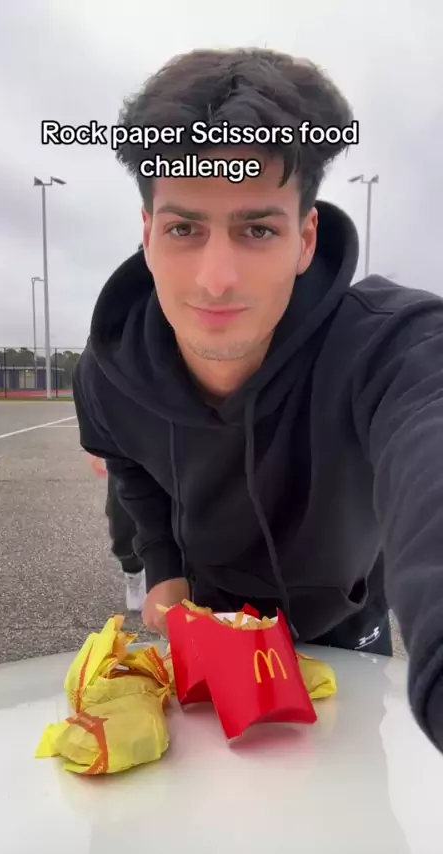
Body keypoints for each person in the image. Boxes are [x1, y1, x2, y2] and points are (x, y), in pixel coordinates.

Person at [73, 48, 443, 755]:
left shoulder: (391, 348)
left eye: (258, 229)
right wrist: (163, 567)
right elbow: (130, 468)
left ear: (305, 239)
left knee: (347, 791)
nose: (216, 280)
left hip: (345, 626)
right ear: (147, 234)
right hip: (211, 625)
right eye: (185, 228)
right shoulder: (107, 376)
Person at [88, 453, 146, 611]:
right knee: (122, 520)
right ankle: (133, 571)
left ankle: (172, 577)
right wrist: (94, 449)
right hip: (125, 447)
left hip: (176, 444)